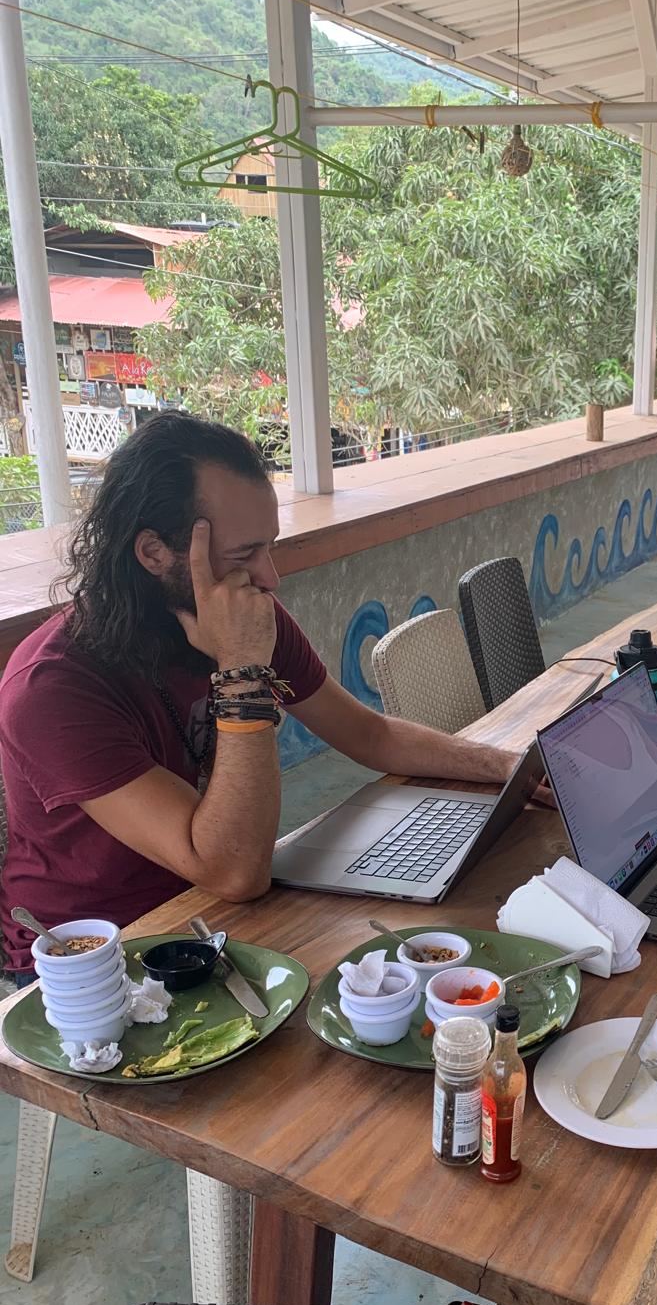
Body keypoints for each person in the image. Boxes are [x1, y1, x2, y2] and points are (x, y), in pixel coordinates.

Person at [0, 413, 520, 977]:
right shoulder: (54, 687)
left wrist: (509, 767)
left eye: (269, 547)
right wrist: (242, 670)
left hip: (211, 914)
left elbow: (370, 735)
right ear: (153, 552)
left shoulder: (242, 614)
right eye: (243, 554)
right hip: (88, 961)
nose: (269, 576)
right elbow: (234, 872)